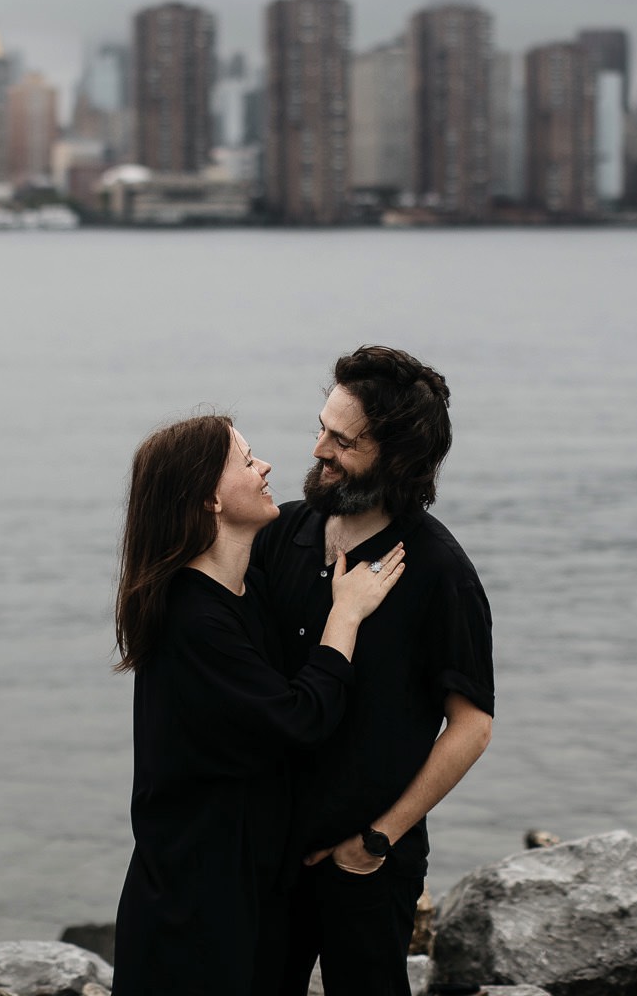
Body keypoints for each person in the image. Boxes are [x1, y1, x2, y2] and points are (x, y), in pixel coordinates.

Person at [111, 414, 407, 996]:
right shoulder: (191, 618)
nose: (266, 466)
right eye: (246, 462)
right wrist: (344, 615)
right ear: (208, 501)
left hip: (246, 883)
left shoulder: (246, 590)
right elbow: (298, 719)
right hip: (194, 901)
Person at [254, 347, 495, 996]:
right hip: (269, 852)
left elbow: (471, 727)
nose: (319, 450)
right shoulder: (282, 535)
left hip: (366, 864)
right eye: (321, 428)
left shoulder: (440, 571)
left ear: (396, 457)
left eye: (342, 440)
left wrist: (376, 841)